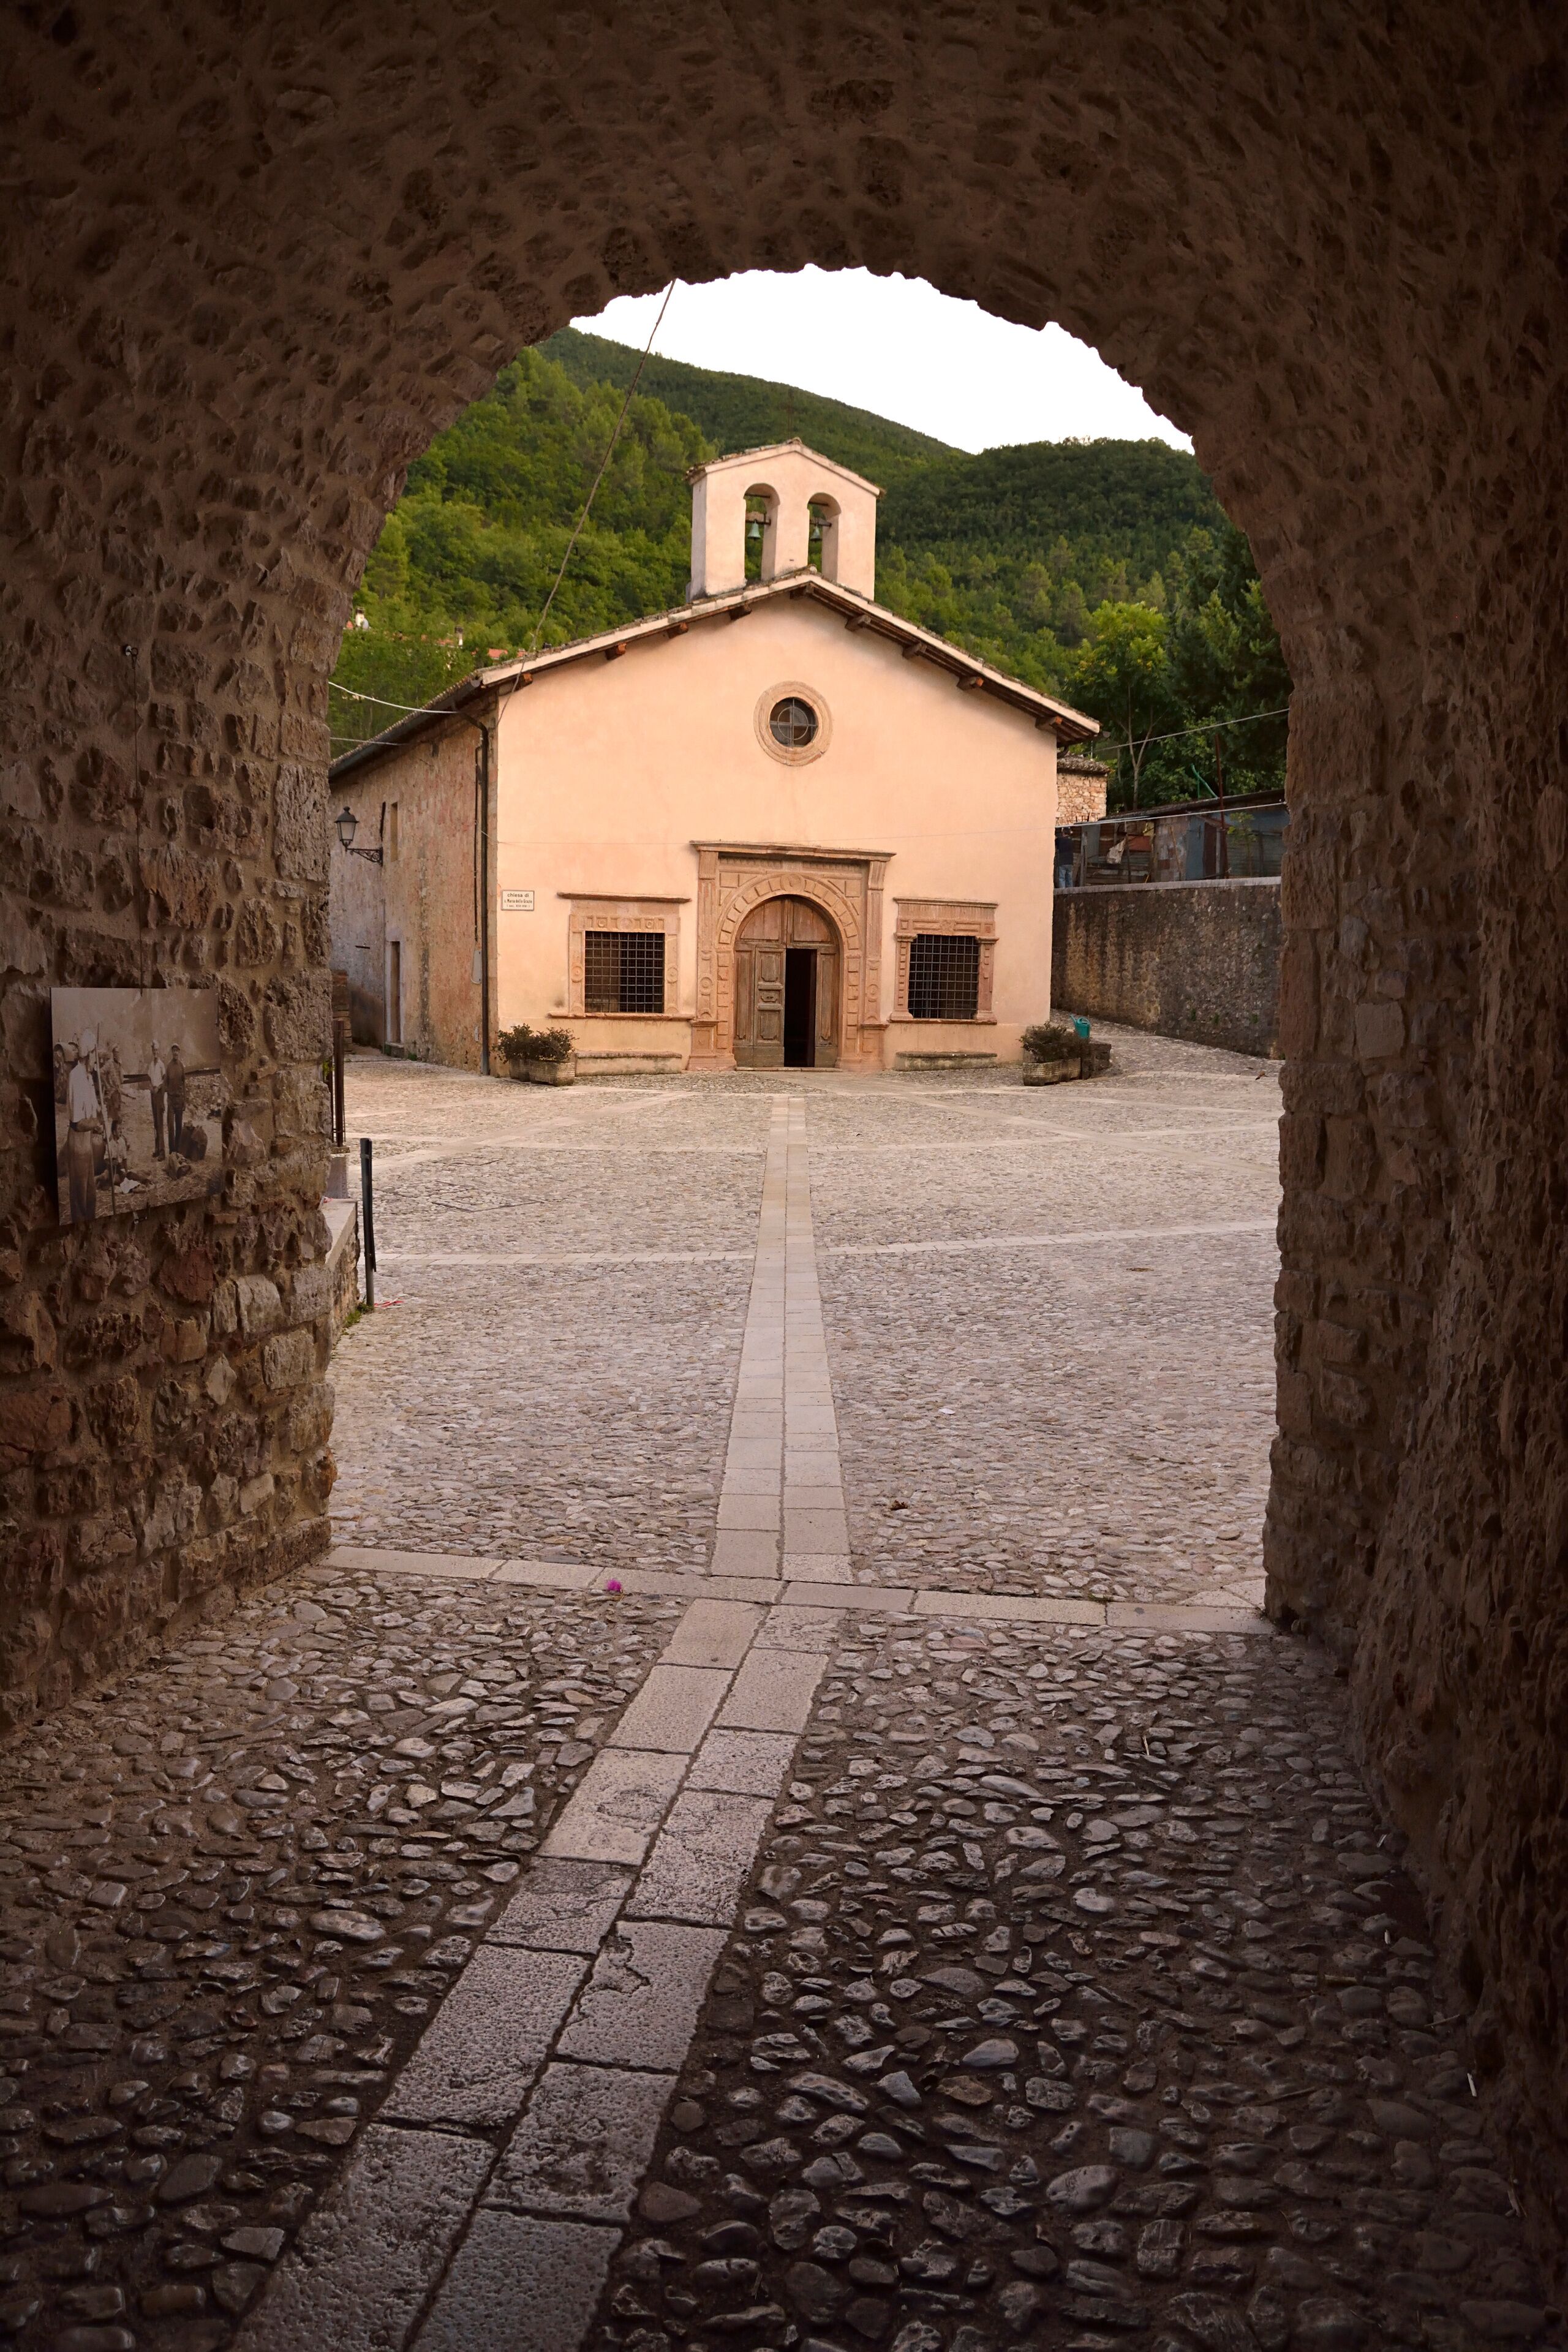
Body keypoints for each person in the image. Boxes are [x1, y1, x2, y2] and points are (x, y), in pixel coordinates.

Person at [64, 1034, 101, 1223]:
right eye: (95, 1055)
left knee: (90, 1193)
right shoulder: (76, 1077)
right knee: (80, 1196)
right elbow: (78, 1123)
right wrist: (98, 1122)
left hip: (87, 1142)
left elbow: (94, 1108)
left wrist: (100, 1113)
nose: (97, 1059)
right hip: (78, 1144)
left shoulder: (88, 1077)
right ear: (87, 1055)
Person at [166, 1042, 186, 1156]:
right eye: (174, 1051)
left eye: (177, 1051)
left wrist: (185, 1101)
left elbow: (184, 1084)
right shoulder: (169, 1066)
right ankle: (172, 1151)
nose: (175, 1053)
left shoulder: (181, 1066)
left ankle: (177, 1150)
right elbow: (165, 1084)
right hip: (171, 1100)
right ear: (172, 1052)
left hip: (179, 1100)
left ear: (179, 1052)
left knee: (179, 1126)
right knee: (171, 1126)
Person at [148, 1039, 167, 1159]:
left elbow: (164, 1080)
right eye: (154, 1050)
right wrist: (151, 1087)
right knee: (155, 1123)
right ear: (152, 1051)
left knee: (160, 1123)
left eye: (157, 1050)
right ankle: (156, 1149)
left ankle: (162, 1152)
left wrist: (158, 1088)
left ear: (159, 1051)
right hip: (153, 1094)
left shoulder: (161, 1065)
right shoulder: (151, 1065)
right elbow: (150, 1079)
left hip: (159, 1094)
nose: (155, 1052)